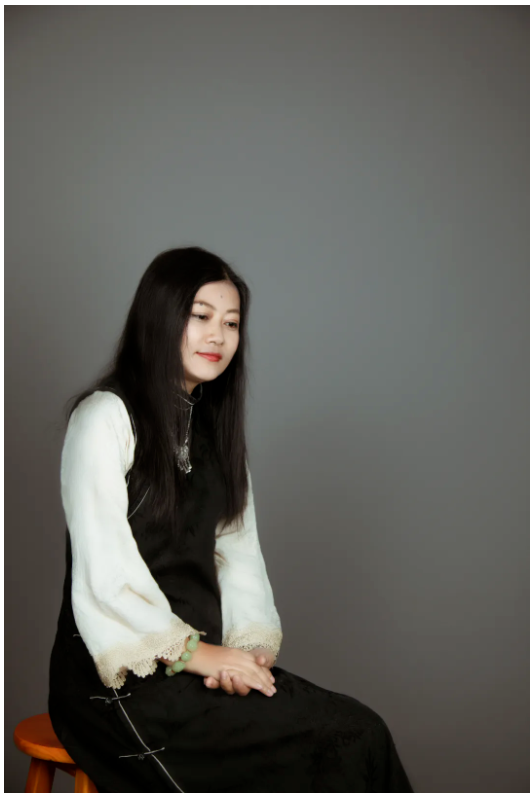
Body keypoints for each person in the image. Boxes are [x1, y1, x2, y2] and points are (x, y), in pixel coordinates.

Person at [48, 246, 413, 793]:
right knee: (331, 748)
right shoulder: (104, 417)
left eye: (232, 323)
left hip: (205, 664)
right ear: (160, 316)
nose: (217, 336)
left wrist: (244, 656)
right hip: (119, 680)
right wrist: (198, 656)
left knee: (361, 732)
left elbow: (239, 558)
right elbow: (106, 574)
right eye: (201, 316)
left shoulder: (215, 433)